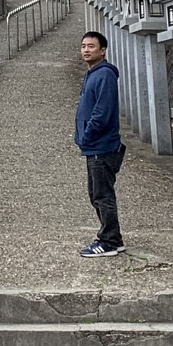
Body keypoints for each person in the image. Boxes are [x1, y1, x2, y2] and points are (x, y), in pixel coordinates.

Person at [75, 28, 125, 257]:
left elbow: (102, 113)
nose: (86, 50)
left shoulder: (104, 75)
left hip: (101, 146)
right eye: (84, 46)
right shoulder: (92, 73)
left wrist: (86, 135)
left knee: (102, 195)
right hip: (93, 146)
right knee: (96, 194)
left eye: (91, 46)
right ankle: (112, 238)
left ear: (102, 50)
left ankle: (109, 241)